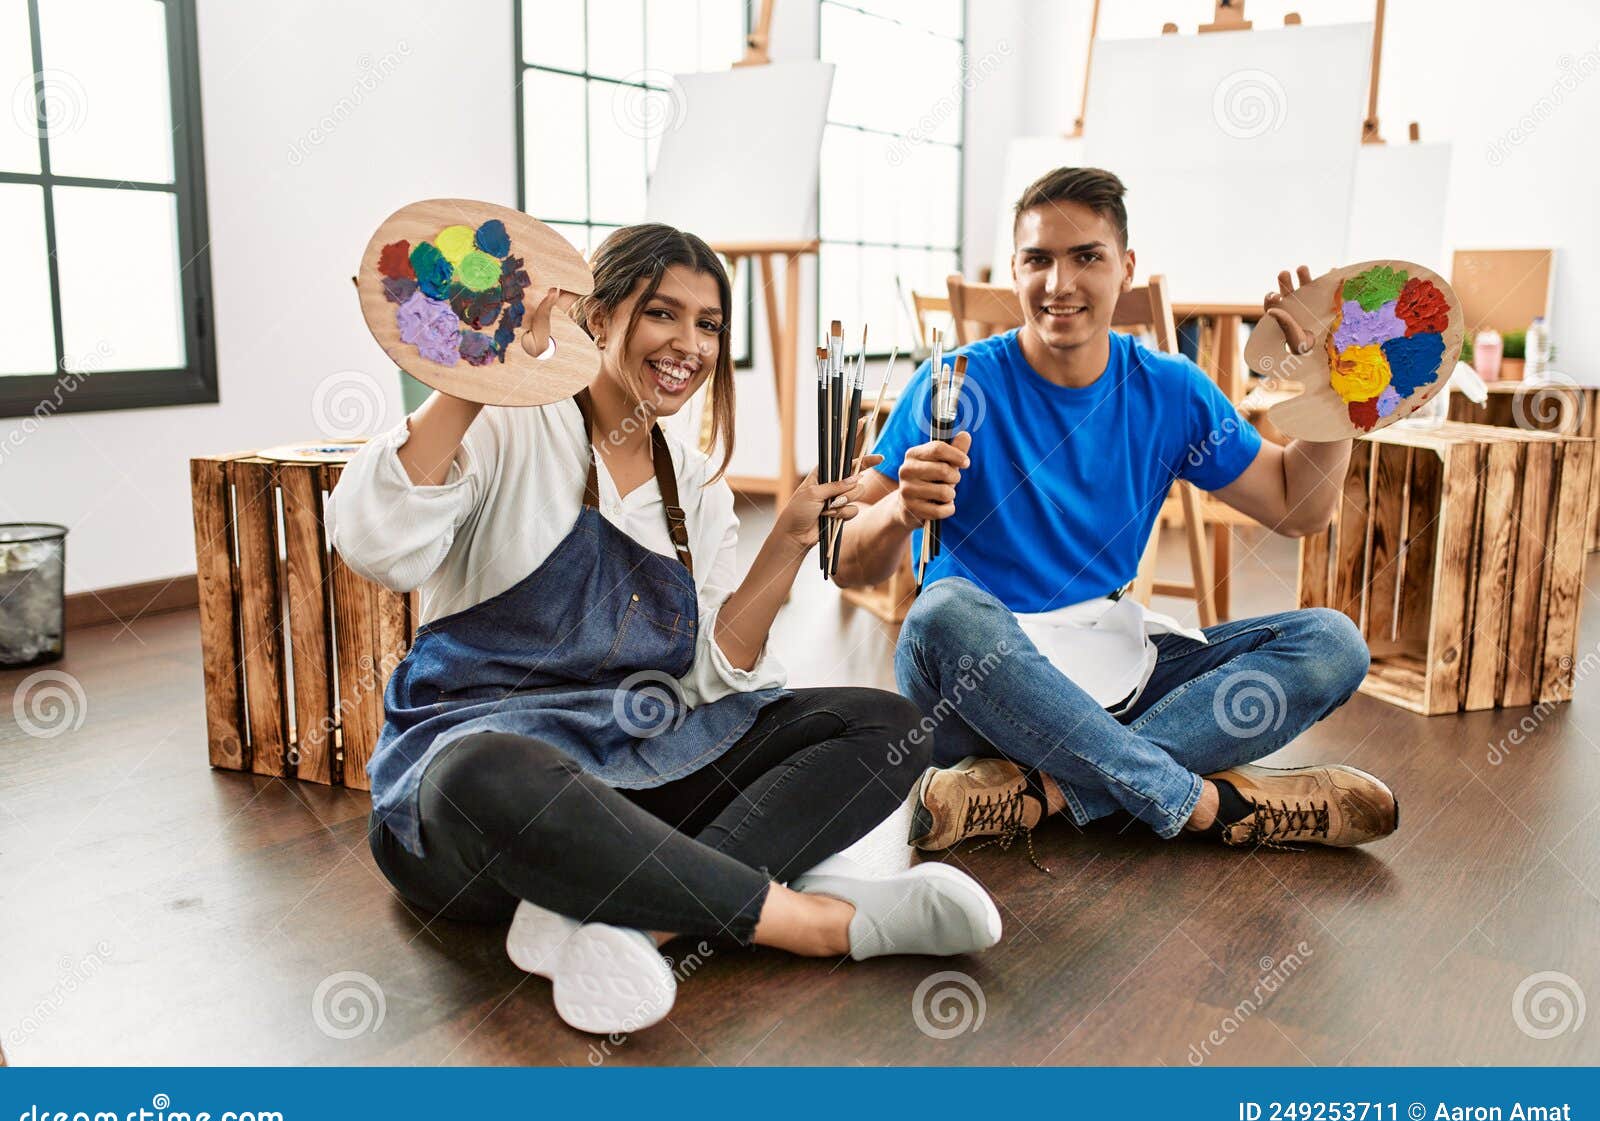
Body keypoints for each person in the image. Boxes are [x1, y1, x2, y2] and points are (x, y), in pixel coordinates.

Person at [327, 222, 1001, 1037]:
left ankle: (640, 925)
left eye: (709, 324)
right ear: (598, 315)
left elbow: (709, 679)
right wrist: (476, 376)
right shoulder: (509, 423)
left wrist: (789, 540)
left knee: (885, 722)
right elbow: (374, 544)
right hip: (485, 808)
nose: (690, 344)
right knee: (485, 768)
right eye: (662, 313)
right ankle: (818, 921)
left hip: (630, 770)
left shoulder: (697, 489)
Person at [831, 167, 1399, 859]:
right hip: (980, 690)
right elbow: (846, 561)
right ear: (1014, 270)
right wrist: (898, 510)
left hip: (1117, 662)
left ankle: (1046, 793)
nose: (1059, 283)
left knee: (1333, 643)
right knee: (941, 611)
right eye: (1038, 259)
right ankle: (1206, 804)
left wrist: (1334, 390)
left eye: (1086, 257)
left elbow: (1297, 506)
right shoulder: (954, 384)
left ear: (1126, 268)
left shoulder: (1170, 389)